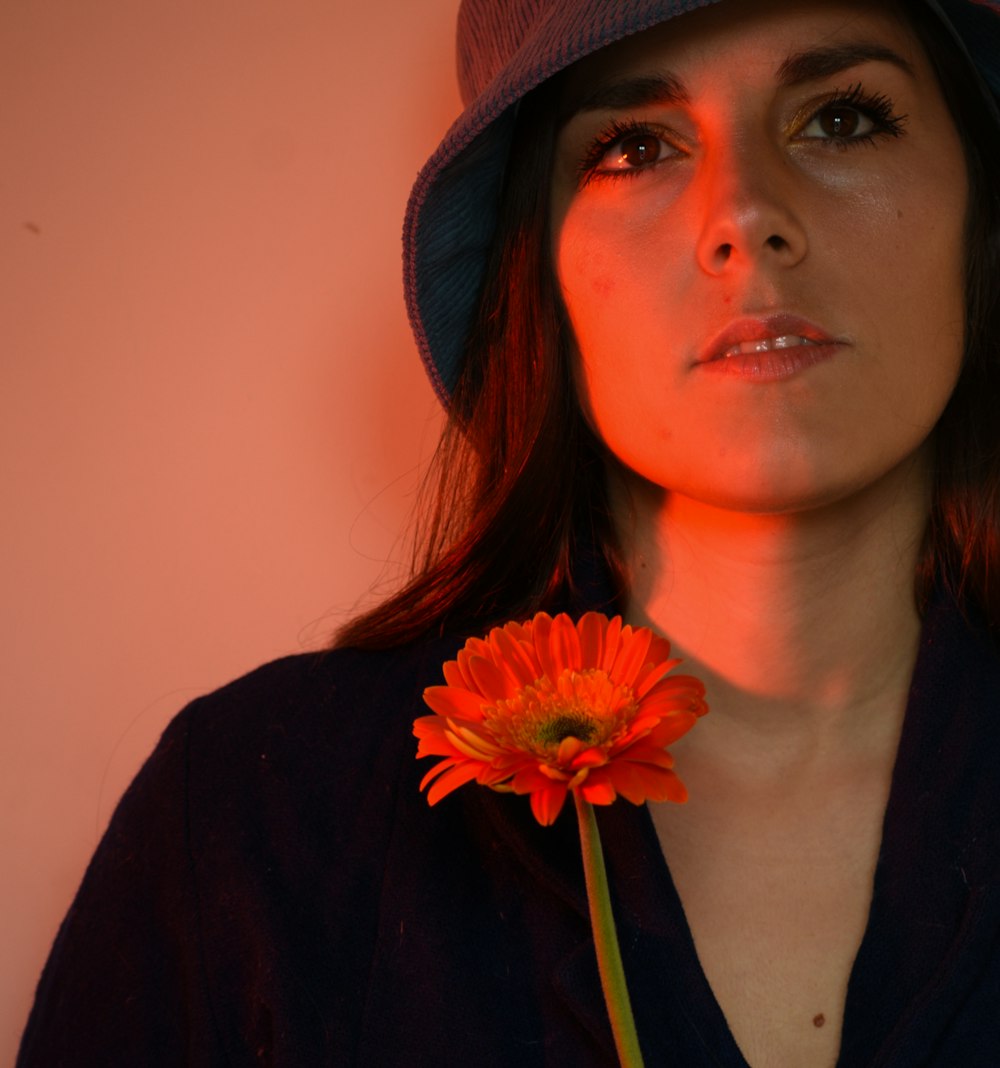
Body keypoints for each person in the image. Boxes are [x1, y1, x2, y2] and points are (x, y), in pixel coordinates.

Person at [16, 0, 1000, 1064]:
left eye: (843, 118)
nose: (746, 214)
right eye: (634, 146)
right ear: (535, 269)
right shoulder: (254, 821)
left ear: (982, 216)